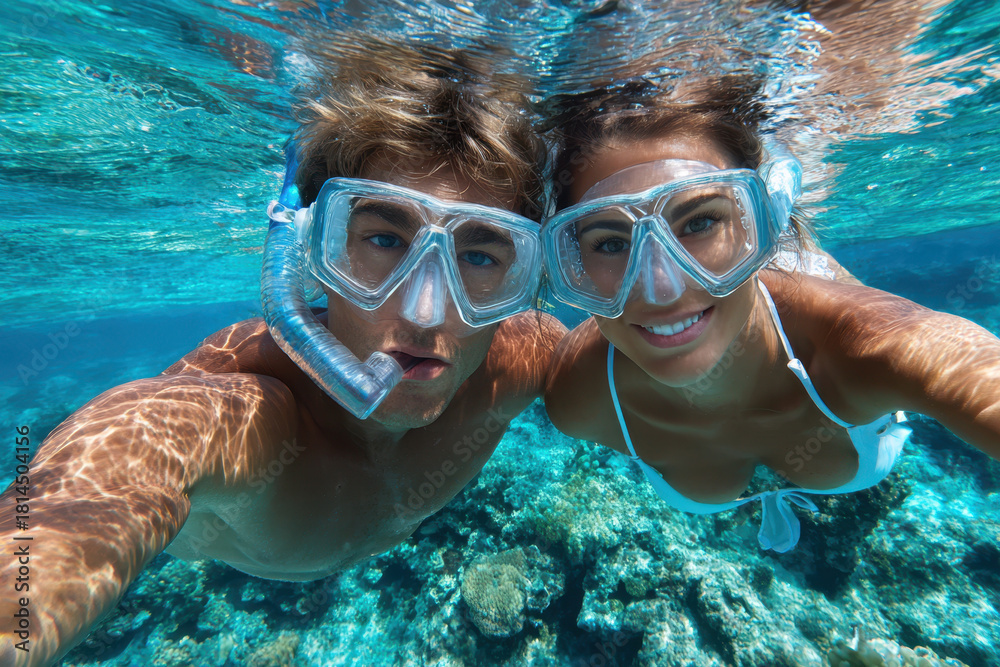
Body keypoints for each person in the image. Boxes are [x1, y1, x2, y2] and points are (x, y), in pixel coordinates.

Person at [0, 37, 565, 666]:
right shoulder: (248, 414)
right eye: (382, 239)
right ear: (311, 257)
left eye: (482, 256)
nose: (425, 311)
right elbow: (100, 481)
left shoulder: (517, 363)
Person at [542, 81, 1000, 554]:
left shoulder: (865, 346)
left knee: (808, 272)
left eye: (699, 222)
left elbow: (966, 371)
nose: (662, 289)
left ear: (762, 223)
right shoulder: (577, 396)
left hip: (800, 291)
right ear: (570, 264)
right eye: (611, 243)